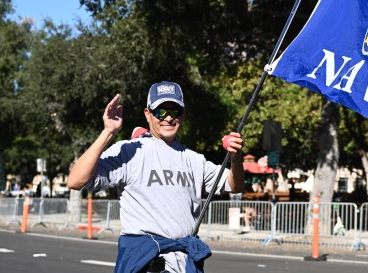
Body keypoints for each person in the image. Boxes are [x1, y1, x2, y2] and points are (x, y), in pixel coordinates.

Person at [67, 81, 245, 273]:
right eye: (160, 111)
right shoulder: (130, 151)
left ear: (183, 114)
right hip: (147, 263)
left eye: (174, 111)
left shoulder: (195, 159)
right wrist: (108, 132)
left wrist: (235, 159)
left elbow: (234, 186)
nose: (168, 118)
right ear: (148, 114)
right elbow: (76, 181)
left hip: (185, 263)